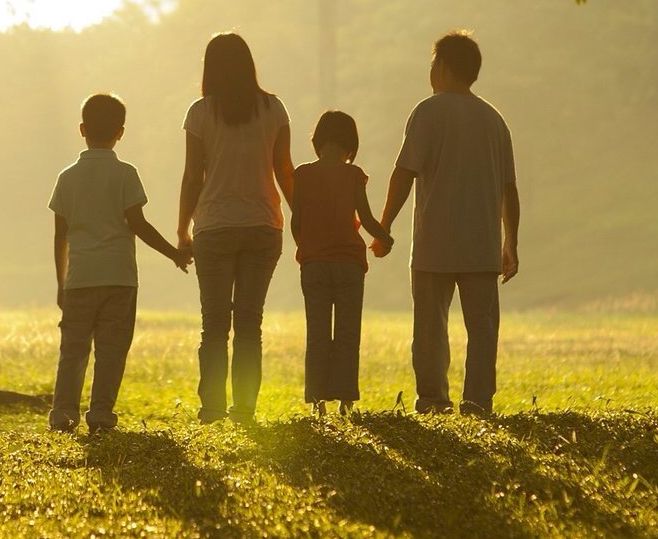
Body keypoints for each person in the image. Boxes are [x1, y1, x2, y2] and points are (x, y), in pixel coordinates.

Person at [377, 30, 520, 416]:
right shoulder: (494, 120)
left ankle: (433, 400)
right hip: (481, 243)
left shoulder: (428, 111)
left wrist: (384, 224)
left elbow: (403, 173)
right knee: (483, 329)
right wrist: (511, 242)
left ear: (441, 66)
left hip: (433, 243)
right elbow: (509, 188)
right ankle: (477, 402)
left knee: (430, 329)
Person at [49, 93, 190, 434]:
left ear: (82, 129)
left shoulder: (67, 177)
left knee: (73, 350)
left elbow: (60, 235)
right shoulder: (126, 174)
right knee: (111, 350)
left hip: (80, 277)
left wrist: (61, 282)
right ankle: (100, 414)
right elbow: (137, 225)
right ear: (120, 132)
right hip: (119, 278)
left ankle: (63, 414)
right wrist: (174, 253)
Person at [177, 32, 292, 424]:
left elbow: (193, 177)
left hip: (214, 227)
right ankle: (244, 409)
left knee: (214, 326)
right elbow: (284, 172)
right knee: (249, 325)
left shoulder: (200, 112)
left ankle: (211, 409)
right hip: (263, 226)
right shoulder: (274, 109)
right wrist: (303, 219)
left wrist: (181, 230)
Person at [291, 110, 394, 416]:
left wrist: (309, 247)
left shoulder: (303, 175)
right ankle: (346, 400)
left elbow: (297, 222)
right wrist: (386, 238)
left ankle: (317, 401)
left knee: (318, 332)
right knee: (348, 333)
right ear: (351, 144)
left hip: (315, 265)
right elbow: (366, 219)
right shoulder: (353, 175)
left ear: (317, 141)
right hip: (349, 264)